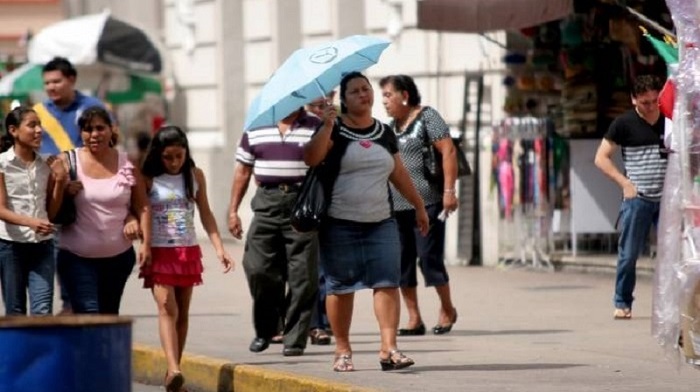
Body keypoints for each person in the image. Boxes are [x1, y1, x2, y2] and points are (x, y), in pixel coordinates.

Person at [303, 72, 429, 372]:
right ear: (343, 100)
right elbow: (310, 157)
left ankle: (389, 348)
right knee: (341, 288)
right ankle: (343, 350)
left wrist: (419, 206)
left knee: (388, 282)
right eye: (355, 91)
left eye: (366, 89)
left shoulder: (384, 132)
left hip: (382, 222)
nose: (363, 95)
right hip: (339, 223)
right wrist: (328, 125)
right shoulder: (333, 129)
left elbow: (398, 173)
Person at [139, 126, 234, 392]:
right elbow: (138, 210)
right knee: (167, 306)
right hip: (159, 251)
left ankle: (173, 373)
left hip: (187, 251)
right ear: (159, 155)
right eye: (168, 157)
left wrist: (219, 248)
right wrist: (142, 241)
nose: (173, 162)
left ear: (186, 153)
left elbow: (206, 214)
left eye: (179, 156)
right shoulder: (147, 178)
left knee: (182, 312)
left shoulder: (194, 176)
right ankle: (174, 368)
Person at [228, 107, 320, 357]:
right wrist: (233, 210)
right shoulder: (255, 126)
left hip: (302, 203)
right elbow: (243, 171)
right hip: (266, 202)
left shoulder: (315, 125)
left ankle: (295, 338)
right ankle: (267, 329)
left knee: (303, 276)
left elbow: (325, 164)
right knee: (258, 269)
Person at [379, 74, 459, 335]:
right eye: (383, 96)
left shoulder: (428, 117)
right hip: (396, 207)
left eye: (388, 95)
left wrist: (449, 190)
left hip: (429, 202)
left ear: (405, 95)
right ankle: (414, 318)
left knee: (428, 259)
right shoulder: (391, 127)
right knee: (402, 262)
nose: (384, 101)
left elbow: (448, 151)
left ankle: (447, 308)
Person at [56, 106, 151, 314]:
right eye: (88, 129)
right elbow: (50, 206)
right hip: (76, 257)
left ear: (111, 130)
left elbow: (142, 205)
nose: (94, 134)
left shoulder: (127, 163)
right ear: (81, 133)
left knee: (109, 316)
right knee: (89, 314)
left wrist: (143, 239)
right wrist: (63, 190)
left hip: (118, 259)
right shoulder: (66, 161)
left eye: (100, 128)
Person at [34, 56, 107, 314]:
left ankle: (84, 301)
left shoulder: (92, 108)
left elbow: (104, 151)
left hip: (87, 193)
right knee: (57, 248)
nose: (51, 87)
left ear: (72, 79)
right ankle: (67, 303)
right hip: (51, 194)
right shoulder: (38, 114)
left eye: (57, 81)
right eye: (47, 83)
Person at [594, 75, 667, 320]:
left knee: (675, 254)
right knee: (629, 254)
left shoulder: (669, 120)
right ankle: (623, 301)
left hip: (667, 198)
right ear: (634, 99)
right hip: (638, 198)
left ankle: (674, 304)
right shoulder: (624, 124)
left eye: (655, 101)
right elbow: (601, 158)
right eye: (645, 102)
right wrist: (625, 183)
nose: (651, 107)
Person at [0, 107, 67, 315]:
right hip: (10, 246)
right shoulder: (2, 164)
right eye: (32, 125)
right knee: (15, 310)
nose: (39, 130)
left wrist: (60, 181)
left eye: (40, 125)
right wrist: (31, 222)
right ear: (13, 130)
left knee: (43, 310)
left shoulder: (47, 163)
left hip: (42, 245)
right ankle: (17, 349)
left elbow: (51, 212)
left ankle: (41, 349)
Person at [304, 93, 336, 345]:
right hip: (307, 203)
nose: (321, 108)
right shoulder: (303, 127)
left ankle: (323, 320)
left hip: (333, 201)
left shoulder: (337, 123)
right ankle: (315, 323)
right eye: (315, 105)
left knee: (325, 268)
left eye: (325, 103)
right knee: (310, 268)